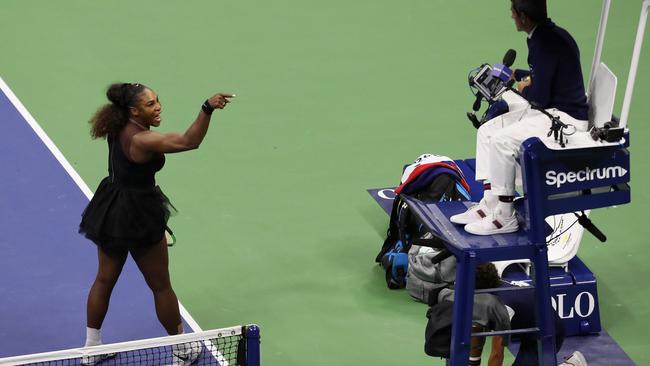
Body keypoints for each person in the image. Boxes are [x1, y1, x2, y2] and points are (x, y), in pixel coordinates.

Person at [78, 82, 234, 365]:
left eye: (157, 100)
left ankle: (91, 347)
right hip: (138, 214)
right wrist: (207, 108)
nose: (158, 106)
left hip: (110, 207)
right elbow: (189, 141)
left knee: (104, 279)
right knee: (161, 286)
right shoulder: (142, 140)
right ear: (134, 110)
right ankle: (182, 350)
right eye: (150, 104)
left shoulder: (118, 124)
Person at [451, 0, 590, 235]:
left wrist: (524, 87)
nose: (511, 16)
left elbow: (539, 97)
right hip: (553, 111)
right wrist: (518, 76)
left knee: (501, 141)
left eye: (513, 12)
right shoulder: (548, 35)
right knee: (487, 131)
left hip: (565, 120)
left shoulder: (544, 43)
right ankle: (490, 204)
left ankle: (505, 216)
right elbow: (545, 75)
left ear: (524, 17)